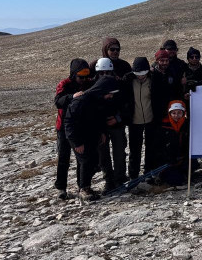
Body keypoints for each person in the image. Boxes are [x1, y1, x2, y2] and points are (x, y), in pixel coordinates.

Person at [64, 77, 120, 201]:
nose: (110, 96)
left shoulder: (98, 100)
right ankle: (84, 189)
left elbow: (99, 119)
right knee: (85, 161)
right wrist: (76, 143)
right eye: (110, 93)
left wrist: (102, 133)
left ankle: (85, 187)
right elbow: (69, 122)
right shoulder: (80, 101)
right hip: (78, 138)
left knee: (93, 160)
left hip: (91, 136)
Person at [53, 58, 92, 199]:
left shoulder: (88, 83)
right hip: (63, 128)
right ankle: (61, 188)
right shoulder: (64, 84)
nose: (84, 79)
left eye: (86, 76)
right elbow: (58, 101)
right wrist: (72, 97)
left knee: (81, 157)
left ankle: (82, 186)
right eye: (81, 76)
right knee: (64, 157)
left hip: (80, 127)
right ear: (74, 74)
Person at [92, 58, 128, 191]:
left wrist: (118, 119)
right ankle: (108, 180)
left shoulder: (119, 84)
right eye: (102, 73)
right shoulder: (94, 86)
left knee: (119, 152)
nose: (104, 75)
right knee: (103, 153)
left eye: (107, 72)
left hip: (117, 124)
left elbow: (127, 104)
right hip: (101, 126)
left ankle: (120, 178)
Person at [122, 57, 160, 180]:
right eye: (138, 74)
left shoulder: (153, 79)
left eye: (143, 74)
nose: (140, 76)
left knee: (151, 147)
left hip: (150, 119)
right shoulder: (128, 81)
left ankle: (148, 172)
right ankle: (133, 175)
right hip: (134, 120)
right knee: (134, 149)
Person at [157, 101, 189, 185]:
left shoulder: (187, 125)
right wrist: (168, 158)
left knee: (192, 165)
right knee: (175, 180)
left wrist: (183, 156)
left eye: (179, 113)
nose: (176, 115)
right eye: (173, 113)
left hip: (181, 158)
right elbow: (159, 146)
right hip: (168, 160)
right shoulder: (164, 126)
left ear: (183, 113)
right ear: (169, 113)